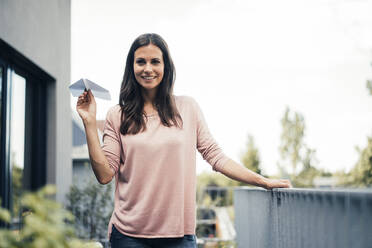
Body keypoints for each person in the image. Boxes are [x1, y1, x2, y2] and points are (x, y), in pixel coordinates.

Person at [76, 33, 292, 248]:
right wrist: (89, 122)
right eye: (141, 61)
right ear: (131, 67)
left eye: (155, 62)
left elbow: (215, 156)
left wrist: (262, 181)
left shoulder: (188, 108)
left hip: (179, 238)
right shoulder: (117, 115)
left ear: (166, 67)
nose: (147, 68)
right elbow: (104, 175)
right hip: (128, 237)